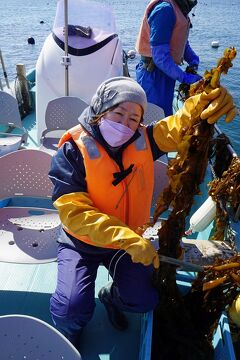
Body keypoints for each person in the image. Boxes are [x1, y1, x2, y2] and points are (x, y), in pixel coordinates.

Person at [48, 76, 236, 349]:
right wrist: (124, 237)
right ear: (100, 110)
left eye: (134, 118)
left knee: (144, 300)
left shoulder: (145, 139)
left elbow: (180, 125)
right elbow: (73, 212)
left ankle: (111, 297)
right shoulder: (72, 150)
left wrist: (206, 100)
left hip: (127, 245)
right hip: (83, 242)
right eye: (118, 113)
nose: (125, 124)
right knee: (70, 307)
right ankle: (69, 332)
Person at [135, 0, 201, 116]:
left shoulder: (179, 8)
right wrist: (184, 77)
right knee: (153, 118)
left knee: (166, 116)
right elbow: (159, 56)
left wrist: (192, 59)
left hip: (167, 74)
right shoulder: (164, 10)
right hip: (152, 75)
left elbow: (180, 41)